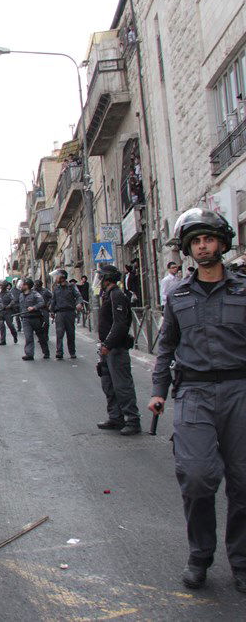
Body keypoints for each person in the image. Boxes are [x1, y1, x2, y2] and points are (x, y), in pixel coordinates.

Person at [148, 208, 246, 591]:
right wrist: (158, 391)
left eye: (209, 239)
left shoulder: (243, 289)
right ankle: (200, 555)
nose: (203, 246)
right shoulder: (179, 295)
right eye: (196, 242)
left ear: (222, 243)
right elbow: (166, 345)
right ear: (189, 249)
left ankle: (241, 561)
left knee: (243, 481)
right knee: (197, 476)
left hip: (240, 390)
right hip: (194, 393)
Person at [95, 263, 140, 435]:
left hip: (116, 349)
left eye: (101, 276)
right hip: (107, 349)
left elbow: (120, 324)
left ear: (107, 278)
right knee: (109, 384)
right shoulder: (107, 295)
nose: (99, 279)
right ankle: (116, 417)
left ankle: (133, 420)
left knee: (122, 385)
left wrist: (108, 344)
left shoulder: (117, 295)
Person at [50, 270, 84, 359]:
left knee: (70, 333)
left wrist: (79, 303)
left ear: (62, 277)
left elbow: (79, 296)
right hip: (60, 313)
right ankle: (59, 352)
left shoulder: (72, 286)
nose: (56, 278)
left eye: (57, 276)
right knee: (59, 333)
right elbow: (53, 300)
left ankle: (72, 352)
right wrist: (52, 311)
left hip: (70, 313)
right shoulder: (56, 288)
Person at [18, 278, 48, 360]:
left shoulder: (35, 294)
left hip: (36, 318)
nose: (21, 286)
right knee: (28, 337)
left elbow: (42, 302)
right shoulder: (21, 295)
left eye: (23, 284)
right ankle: (29, 354)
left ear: (27, 286)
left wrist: (34, 307)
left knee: (41, 337)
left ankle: (46, 352)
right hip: (26, 319)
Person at [0, 280, 18, 345]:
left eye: (2, 285)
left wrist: (9, 306)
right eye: (0, 285)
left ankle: (15, 335)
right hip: (1, 311)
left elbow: (13, 300)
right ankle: (3, 340)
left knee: (10, 325)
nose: (1, 287)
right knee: (1, 325)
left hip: (7, 311)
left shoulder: (9, 293)